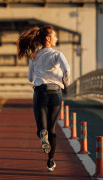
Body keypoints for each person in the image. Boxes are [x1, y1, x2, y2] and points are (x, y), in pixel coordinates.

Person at [17, 25, 70, 171]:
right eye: (55, 36)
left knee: (41, 127)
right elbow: (67, 69)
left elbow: (30, 78)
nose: (57, 38)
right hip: (56, 93)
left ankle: (42, 133)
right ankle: (51, 161)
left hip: (40, 92)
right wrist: (66, 81)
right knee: (52, 129)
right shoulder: (57, 54)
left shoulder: (34, 55)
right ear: (48, 38)